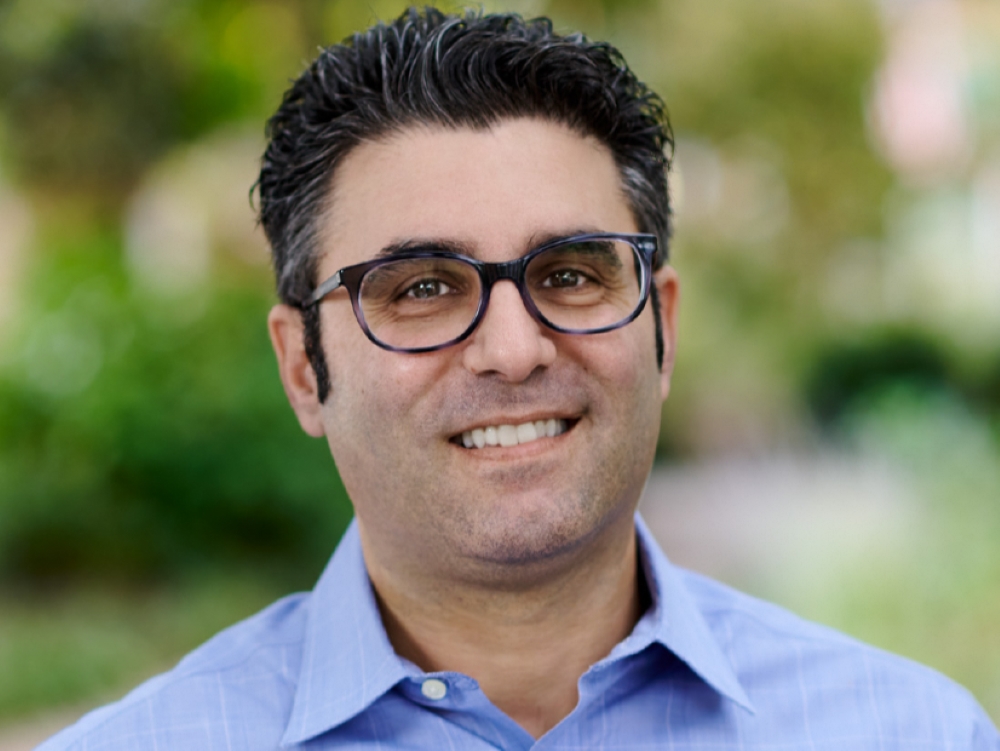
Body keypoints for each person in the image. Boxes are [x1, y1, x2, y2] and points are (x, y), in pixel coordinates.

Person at [38, 7, 999, 750]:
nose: (514, 348)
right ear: (301, 368)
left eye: (571, 274)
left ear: (661, 327)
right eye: (421, 288)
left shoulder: (911, 732)